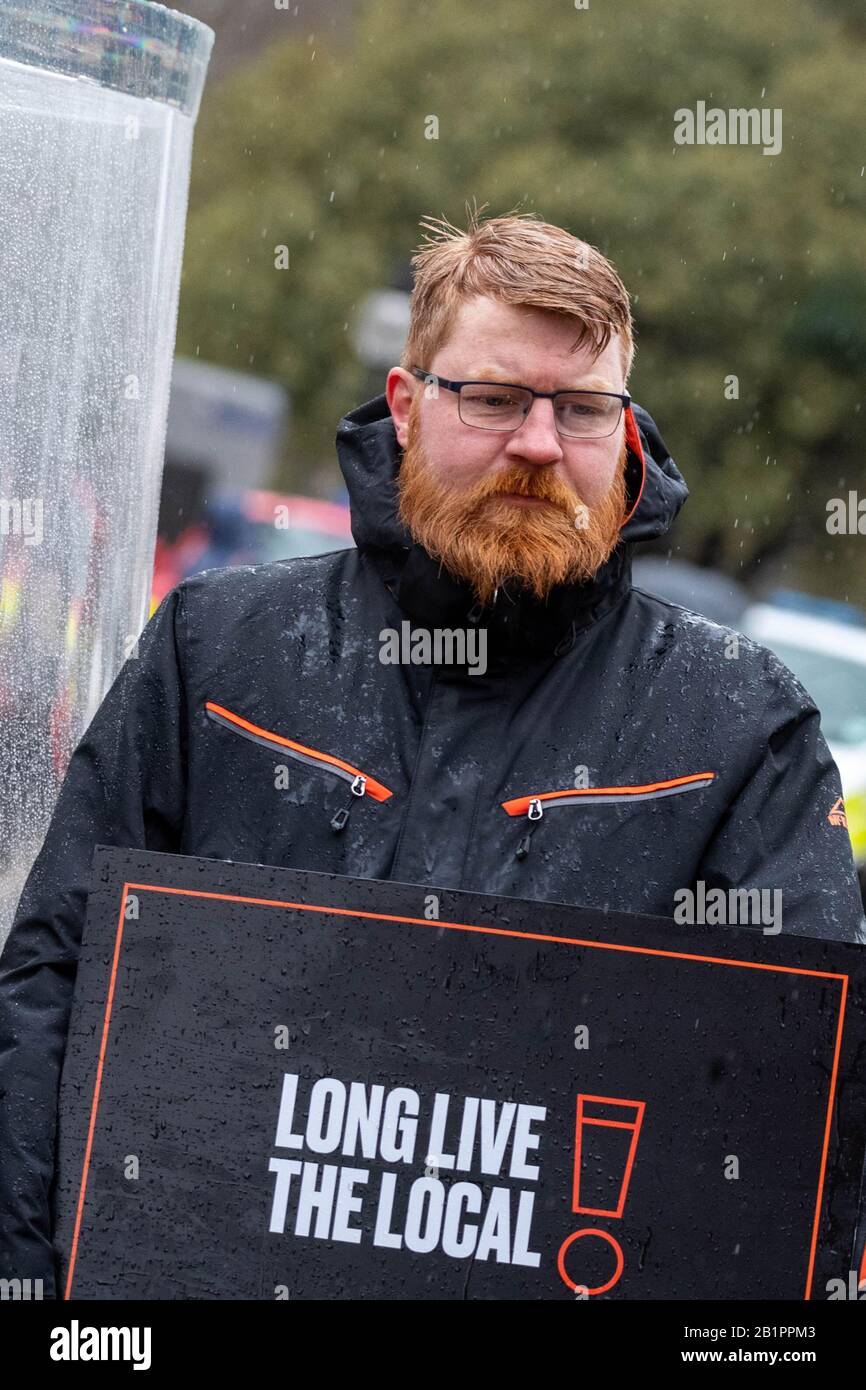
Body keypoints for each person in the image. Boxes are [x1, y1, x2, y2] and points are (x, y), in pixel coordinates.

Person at [1, 210, 864, 1297]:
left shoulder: (737, 728)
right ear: (406, 407)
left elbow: (807, 1114)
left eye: (582, 408)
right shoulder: (221, 652)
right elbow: (54, 984)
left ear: (626, 428)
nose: (540, 444)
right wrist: (35, 1288)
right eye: (494, 398)